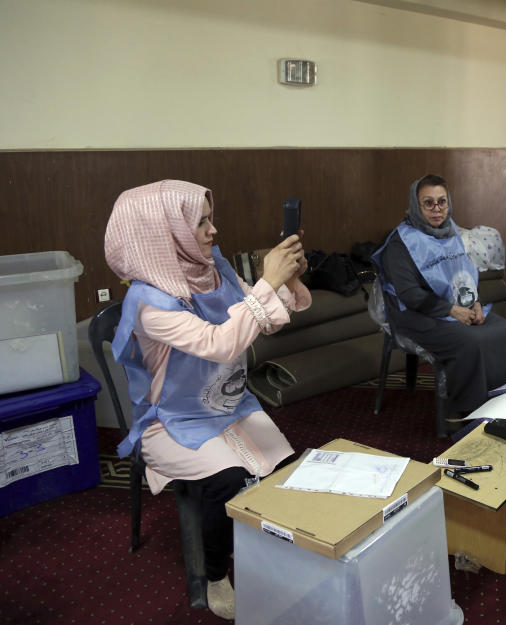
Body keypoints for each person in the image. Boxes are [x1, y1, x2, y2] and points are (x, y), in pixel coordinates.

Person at [104, 180, 310, 620]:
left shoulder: (211, 267)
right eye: (200, 223)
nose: (213, 231)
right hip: (173, 421)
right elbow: (219, 343)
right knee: (228, 481)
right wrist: (265, 283)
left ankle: (279, 556)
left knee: (285, 472)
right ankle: (215, 574)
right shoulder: (149, 302)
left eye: (209, 219)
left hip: (228, 405)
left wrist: (283, 282)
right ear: (164, 233)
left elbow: (262, 325)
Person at [372, 174, 506, 426]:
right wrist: (451, 310)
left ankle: (500, 404)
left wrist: (474, 303)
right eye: (428, 203)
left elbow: (464, 275)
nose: (436, 209)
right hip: (413, 314)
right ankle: (462, 411)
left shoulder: (449, 232)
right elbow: (410, 294)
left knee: (505, 330)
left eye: (442, 202)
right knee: (469, 341)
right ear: (415, 206)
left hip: (454, 307)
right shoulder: (401, 242)